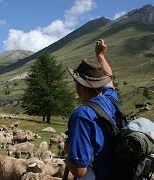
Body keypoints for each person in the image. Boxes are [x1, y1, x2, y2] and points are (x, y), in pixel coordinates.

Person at [64, 39, 119, 180]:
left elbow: (79, 171)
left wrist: (67, 152)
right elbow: (109, 77)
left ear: (78, 86)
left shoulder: (82, 115)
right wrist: (100, 55)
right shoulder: (111, 99)